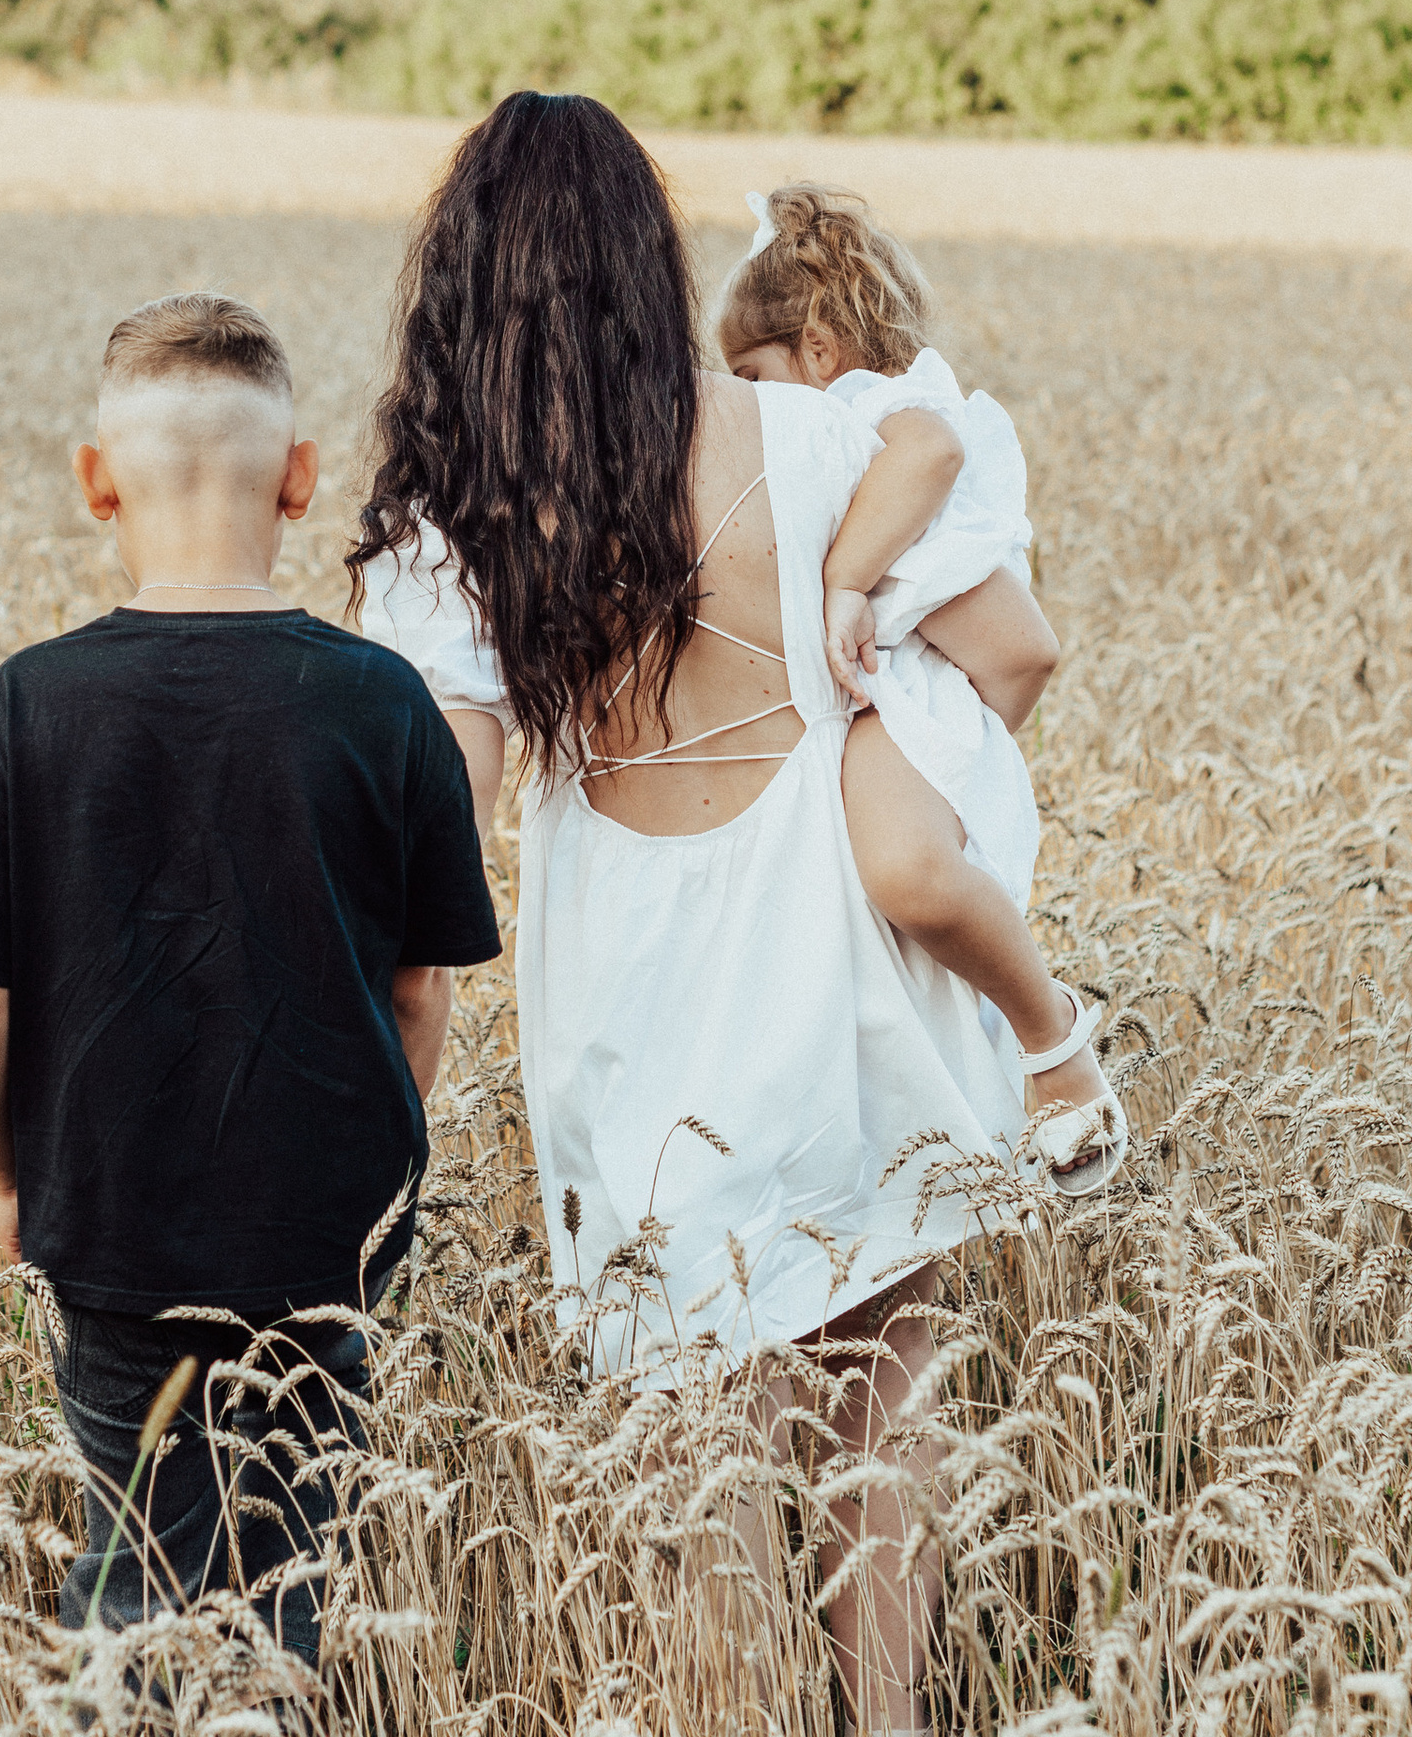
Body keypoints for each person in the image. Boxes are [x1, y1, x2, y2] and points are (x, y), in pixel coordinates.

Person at [349, 95, 1058, 1732]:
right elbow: (1012, 647)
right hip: (846, 962)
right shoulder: (816, 440)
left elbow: (441, 812)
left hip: (634, 999)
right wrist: (898, 739)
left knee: (695, 1415)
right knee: (879, 1404)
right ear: (649, 269)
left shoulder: (451, 523)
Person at [0, 292, 501, 1665]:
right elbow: (418, 995)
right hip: (324, 1234)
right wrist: (371, 1176)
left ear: (94, 483)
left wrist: (11, 1180)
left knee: (134, 1570)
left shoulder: (26, 706)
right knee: (286, 1577)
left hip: (109, 1223)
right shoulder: (382, 701)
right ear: (300, 483)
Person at [716, 182, 1127, 1194]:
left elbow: (937, 462)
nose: (740, 398)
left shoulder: (868, 409)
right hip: (899, 692)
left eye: (748, 372)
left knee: (907, 873)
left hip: (917, 692)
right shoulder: (824, 426)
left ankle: (1053, 1039)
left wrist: (847, 580)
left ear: (817, 347)